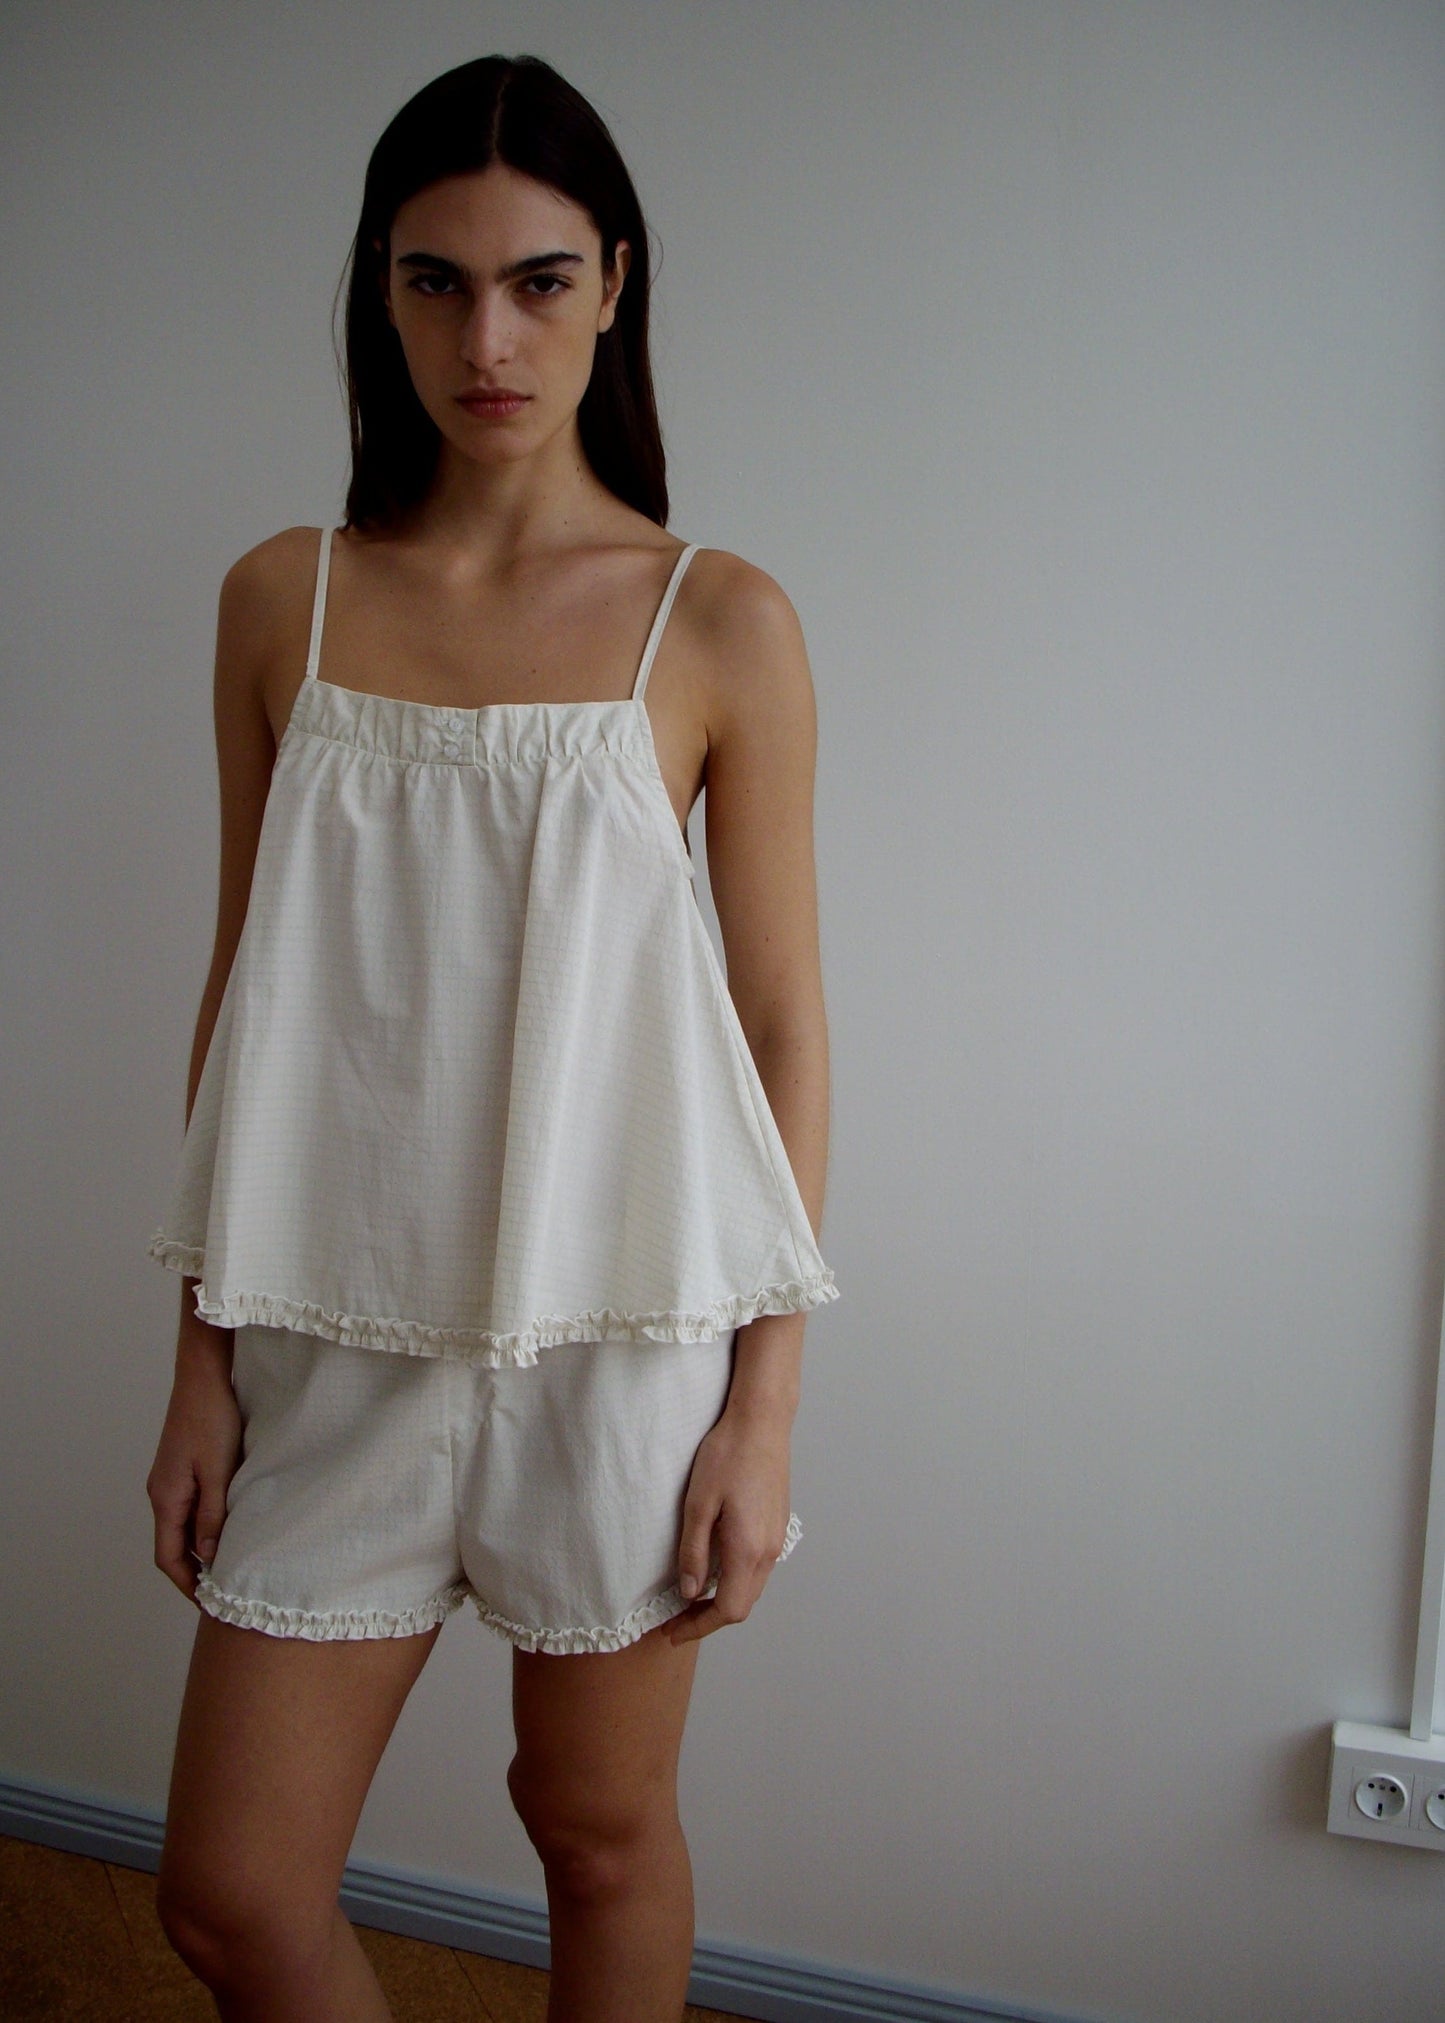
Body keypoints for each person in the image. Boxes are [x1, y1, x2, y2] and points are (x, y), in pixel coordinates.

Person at [143, 51, 838, 2023]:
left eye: (538, 279)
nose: (489, 334)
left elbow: (781, 1029)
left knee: (593, 1828)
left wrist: (763, 1412)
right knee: (227, 1890)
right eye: (435, 281)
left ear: (615, 283)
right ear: (380, 296)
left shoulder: (717, 625)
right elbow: (242, 996)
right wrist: (195, 1360)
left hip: (617, 1351)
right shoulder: (288, 602)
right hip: (329, 1342)